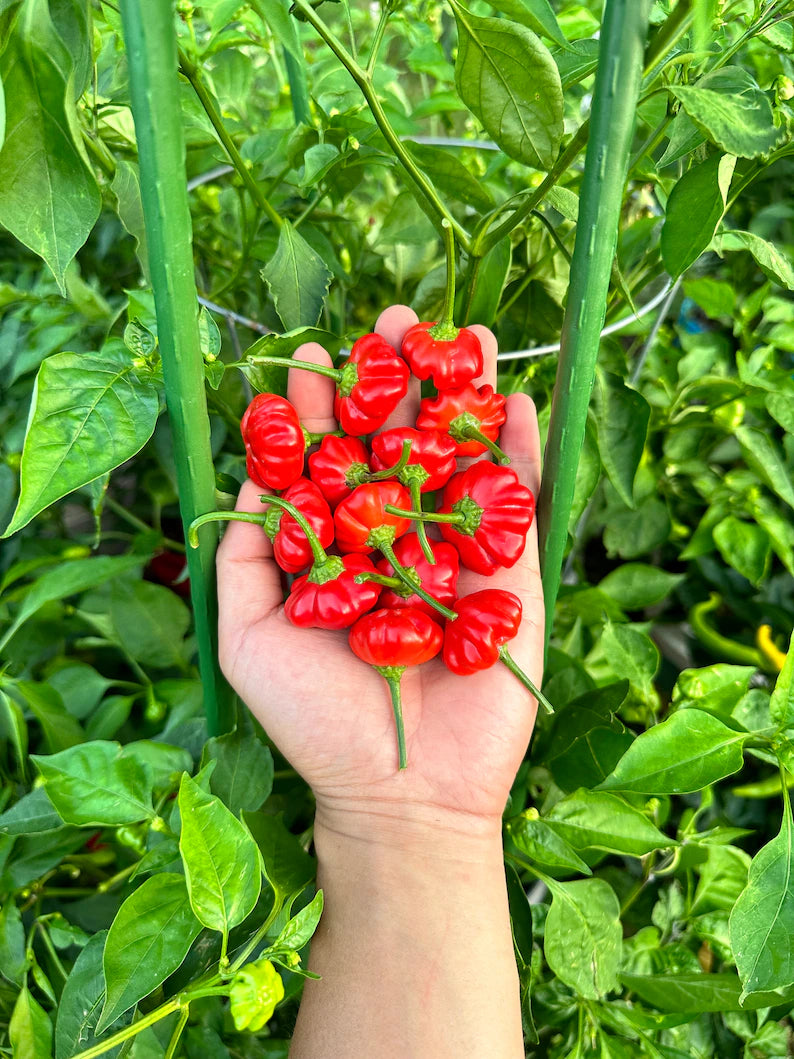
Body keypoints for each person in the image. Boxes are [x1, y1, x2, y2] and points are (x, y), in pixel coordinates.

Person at [216, 303, 544, 1057]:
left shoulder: (399, 513)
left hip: (399, 540)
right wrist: (404, 823)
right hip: (390, 541)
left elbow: (395, 526)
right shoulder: (379, 519)